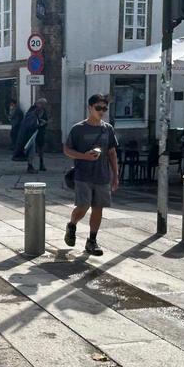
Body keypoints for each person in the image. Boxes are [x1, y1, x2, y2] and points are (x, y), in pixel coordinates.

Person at [63, 94, 119, 257]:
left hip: (102, 175)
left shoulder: (108, 129)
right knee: (83, 206)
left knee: (98, 208)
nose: (102, 111)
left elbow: (112, 153)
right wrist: (84, 156)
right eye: (98, 108)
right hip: (83, 175)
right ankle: (72, 224)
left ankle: (92, 241)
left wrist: (115, 175)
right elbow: (67, 150)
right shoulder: (78, 129)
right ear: (90, 108)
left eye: (104, 108)